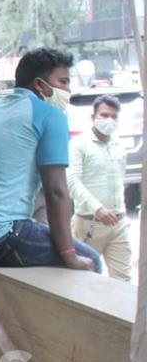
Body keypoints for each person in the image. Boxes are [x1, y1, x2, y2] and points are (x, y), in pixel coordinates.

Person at [0, 47, 101, 272]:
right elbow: (56, 192)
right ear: (39, 85)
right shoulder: (51, 116)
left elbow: (42, 195)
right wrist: (70, 255)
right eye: (63, 82)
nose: (68, 89)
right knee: (92, 260)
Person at [67, 95, 131, 281]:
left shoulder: (118, 145)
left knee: (123, 281)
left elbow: (121, 179)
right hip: (90, 223)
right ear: (93, 117)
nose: (109, 120)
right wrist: (98, 208)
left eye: (113, 116)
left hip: (119, 223)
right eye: (104, 115)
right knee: (87, 280)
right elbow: (72, 181)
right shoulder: (79, 145)